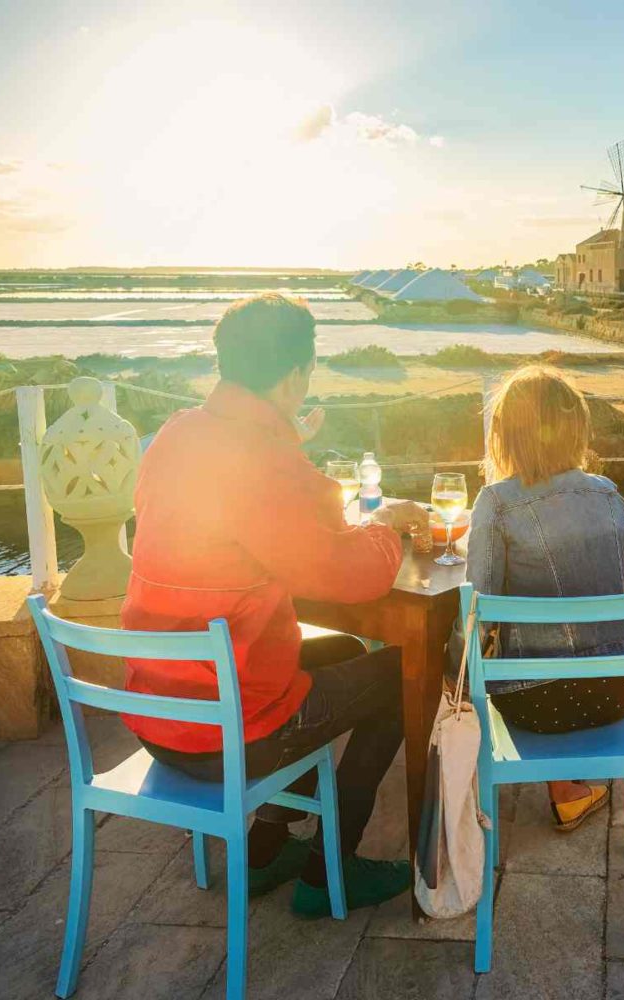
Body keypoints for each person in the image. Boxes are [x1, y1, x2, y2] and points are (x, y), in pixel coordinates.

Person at [121, 292, 431, 916]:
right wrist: (391, 525)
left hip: (158, 712)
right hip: (228, 733)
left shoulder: (177, 436)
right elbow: (351, 574)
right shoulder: (264, 459)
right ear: (296, 374)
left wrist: (289, 436)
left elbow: (254, 527)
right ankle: (328, 870)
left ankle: (266, 848)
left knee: (342, 652)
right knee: (405, 676)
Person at [455, 366, 624, 832]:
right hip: (617, 691)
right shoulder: (607, 493)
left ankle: (458, 793)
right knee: (565, 664)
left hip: (532, 703)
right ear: (576, 430)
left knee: (474, 661)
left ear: (505, 436)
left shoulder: (496, 502)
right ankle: (568, 790)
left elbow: (479, 608)